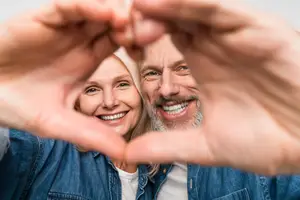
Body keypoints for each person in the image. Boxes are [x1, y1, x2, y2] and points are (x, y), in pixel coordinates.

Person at [1, 0, 300, 175]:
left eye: (121, 84)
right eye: (91, 89)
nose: (167, 88)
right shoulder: (43, 153)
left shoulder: (157, 164)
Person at [139, 34, 300, 200]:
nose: (166, 89)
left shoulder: (266, 147)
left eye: (184, 67)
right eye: (152, 73)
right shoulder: (146, 166)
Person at [0, 48, 153, 200]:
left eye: (122, 84)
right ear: (77, 102)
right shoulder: (46, 146)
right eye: (92, 89)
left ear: (141, 92)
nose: (109, 102)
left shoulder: (156, 173)